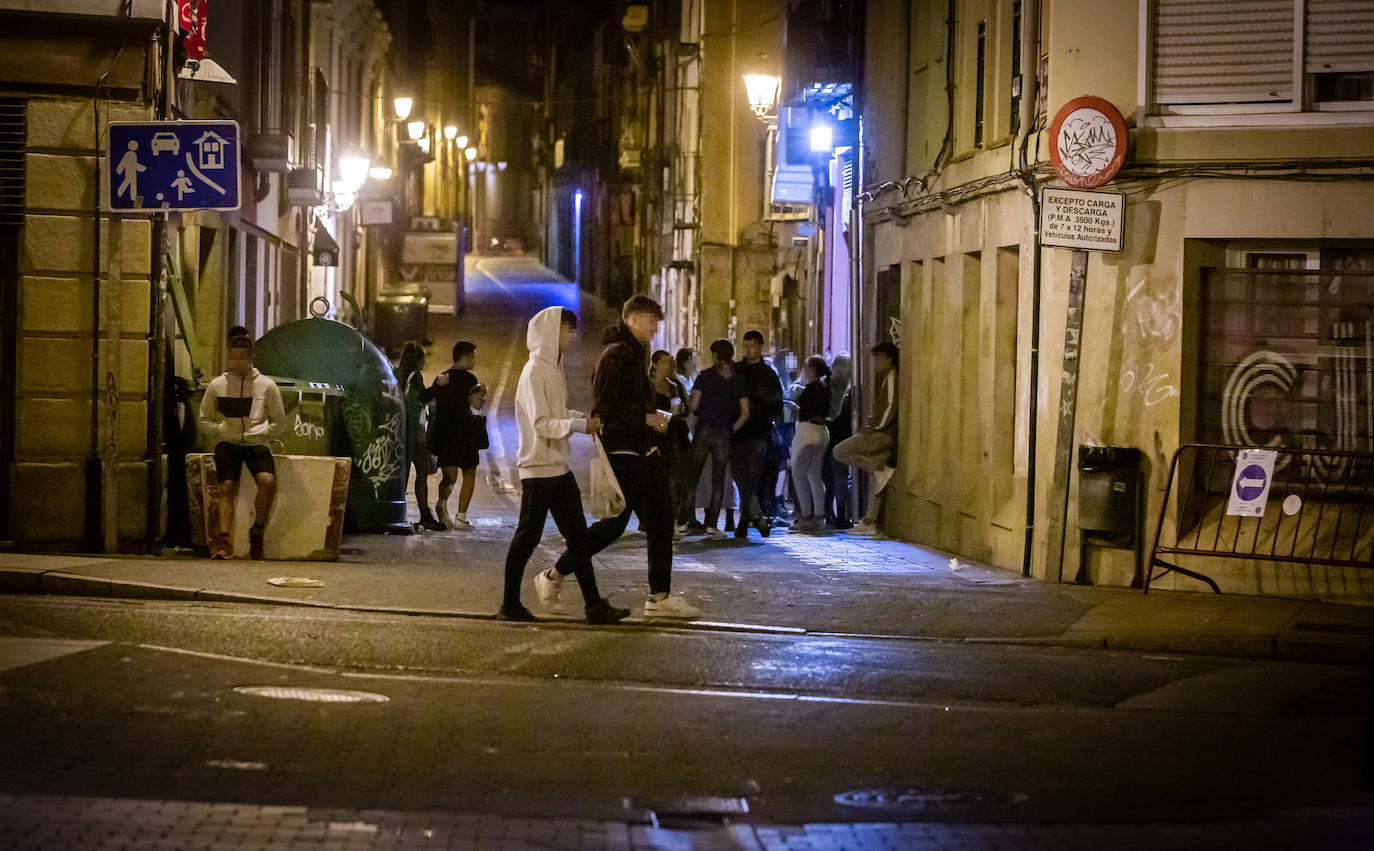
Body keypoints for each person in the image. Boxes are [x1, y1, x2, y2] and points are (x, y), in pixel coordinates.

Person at [553, 294, 700, 618]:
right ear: (632, 319)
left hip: (644, 451)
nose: (655, 327)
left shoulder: (633, 355)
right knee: (613, 526)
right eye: (651, 320)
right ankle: (555, 574)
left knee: (661, 520)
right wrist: (645, 418)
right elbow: (605, 409)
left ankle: (659, 598)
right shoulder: (616, 355)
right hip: (623, 452)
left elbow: (632, 404)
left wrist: (656, 417)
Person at [498, 307, 630, 625]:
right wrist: (578, 427)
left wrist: (582, 420)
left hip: (558, 467)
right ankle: (509, 604)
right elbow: (542, 424)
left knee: (579, 539)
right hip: (538, 469)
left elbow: (557, 412)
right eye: (567, 330)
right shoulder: (534, 373)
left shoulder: (553, 369)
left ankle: (594, 605)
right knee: (527, 537)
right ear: (552, 332)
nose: (572, 337)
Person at [198, 330, 286, 560]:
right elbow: (203, 420)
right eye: (232, 357)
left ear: (251, 359)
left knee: (267, 482)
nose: (236, 362)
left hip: (257, 443)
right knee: (226, 486)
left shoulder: (267, 386)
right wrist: (220, 430)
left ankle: (257, 530)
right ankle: (224, 540)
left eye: (241, 357)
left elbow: (280, 421)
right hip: (228, 443)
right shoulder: (218, 386)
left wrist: (262, 431)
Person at [683, 338, 747, 538]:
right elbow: (745, 412)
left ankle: (682, 522)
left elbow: (693, 406)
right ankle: (712, 525)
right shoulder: (737, 379)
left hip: (704, 430)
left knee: (691, 477)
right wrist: (731, 429)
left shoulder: (705, 376)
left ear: (714, 355)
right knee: (719, 479)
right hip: (723, 433)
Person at [834, 342, 899, 536]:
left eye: (878, 358)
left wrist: (875, 427)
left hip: (883, 435)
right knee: (878, 478)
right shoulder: (885, 378)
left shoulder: (892, 377)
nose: (875, 363)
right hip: (884, 433)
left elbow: (891, 407)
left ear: (889, 358)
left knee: (839, 451)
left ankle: (875, 469)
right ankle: (870, 521)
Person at [732, 329, 783, 539]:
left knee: (752, 478)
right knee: (740, 477)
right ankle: (756, 518)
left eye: (752, 346)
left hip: (758, 432)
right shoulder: (737, 370)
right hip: (737, 432)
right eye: (746, 346)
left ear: (760, 347)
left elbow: (777, 404)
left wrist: (762, 415)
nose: (748, 350)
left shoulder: (768, 374)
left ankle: (745, 521)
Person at [429, 340, 480, 529]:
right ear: (465, 357)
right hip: (465, 434)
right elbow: (476, 406)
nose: (475, 361)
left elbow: (430, 402)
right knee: (469, 473)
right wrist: (481, 394)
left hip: (445, 435)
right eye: (473, 356)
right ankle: (461, 517)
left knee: (450, 476)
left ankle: (442, 503)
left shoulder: (442, 377)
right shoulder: (470, 380)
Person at [397, 342, 444, 531]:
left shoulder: (401, 375)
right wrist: (436, 386)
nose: (426, 360)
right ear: (417, 359)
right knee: (422, 472)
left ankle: (422, 512)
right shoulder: (414, 376)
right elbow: (418, 400)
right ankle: (424, 514)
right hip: (416, 432)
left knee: (413, 472)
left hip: (406, 430)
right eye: (423, 357)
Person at [789, 355, 833, 533]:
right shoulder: (826, 388)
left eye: (807, 368)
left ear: (813, 370)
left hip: (806, 431)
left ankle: (806, 515)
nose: (804, 371)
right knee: (815, 475)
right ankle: (819, 516)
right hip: (822, 432)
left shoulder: (810, 389)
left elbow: (806, 409)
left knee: (798, 473)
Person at [651, 350, 691, 537]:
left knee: (675, 480)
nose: (668, 367)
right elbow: (649, 415)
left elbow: (684, 409)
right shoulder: (649, 387)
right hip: (655, 439)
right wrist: (670, 414)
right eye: (664, 363)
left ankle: (672, 520)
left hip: (674, 437)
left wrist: (681, 410)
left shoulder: (674, 386)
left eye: (670, 363)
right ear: (655, 364)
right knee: (657, 480)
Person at [822, 353, 854, 529]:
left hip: (827, 440)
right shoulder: (848, 394)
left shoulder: (828, 390)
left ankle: (828, 513)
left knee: (829, 479)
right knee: (840, 479)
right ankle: (841, 515)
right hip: (839, 440)